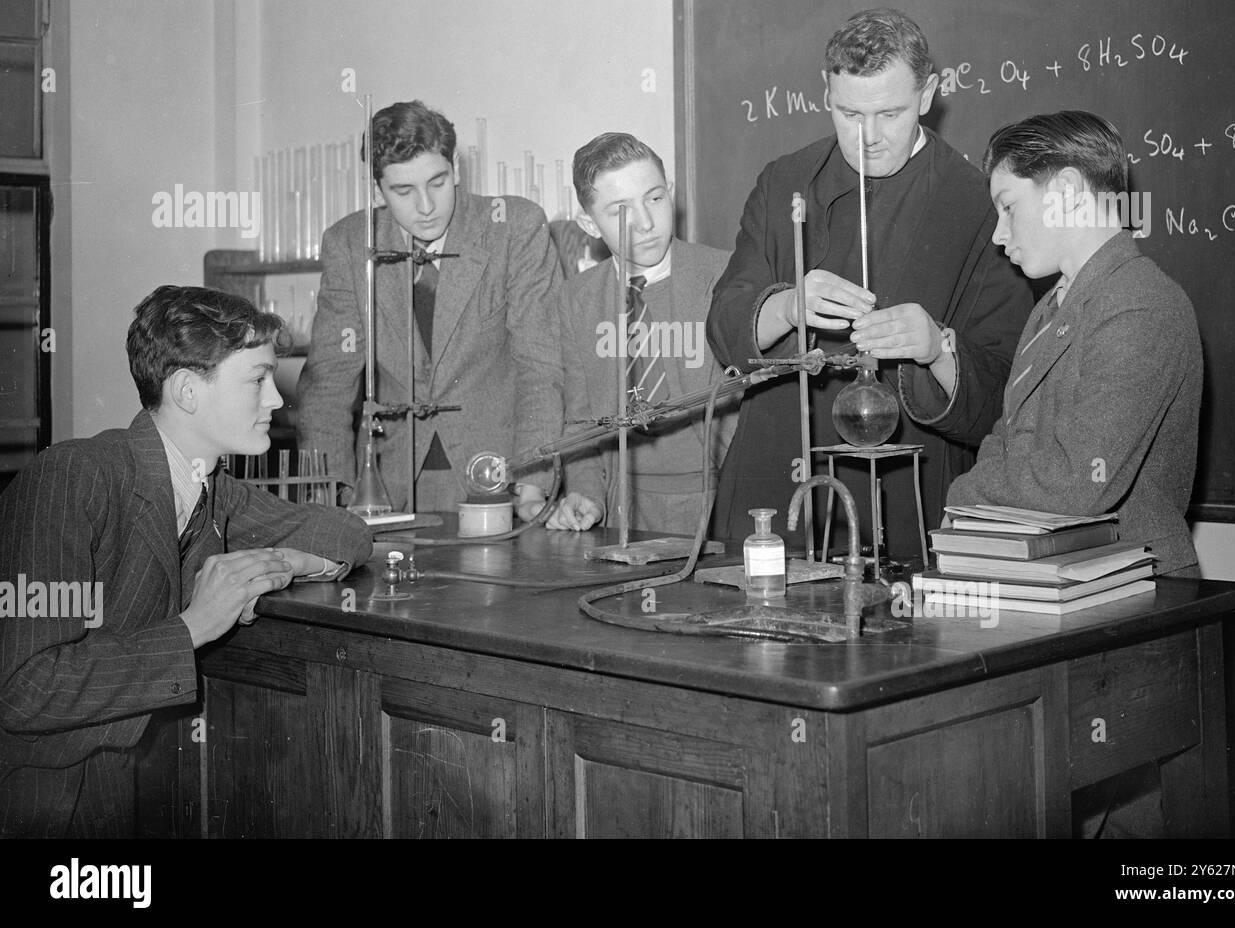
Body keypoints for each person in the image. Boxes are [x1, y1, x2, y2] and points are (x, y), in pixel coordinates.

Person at [0, 286, 372, 838]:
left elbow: (349, 535)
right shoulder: (74, 478)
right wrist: (194, 625)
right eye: (257, 379)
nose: (276, 399)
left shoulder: (211, 486)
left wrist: (283, 561)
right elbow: (24, 690)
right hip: (43, 795)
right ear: (187, 391)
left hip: (136, 780)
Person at [706, 8, 1033, 557]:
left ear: (929, 94)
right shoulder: (784, 179)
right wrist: (787, 306)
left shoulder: (978, 205)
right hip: (773, 496)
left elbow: (1006, 390)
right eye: (849, 113)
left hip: (908, 495)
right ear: (826, 93)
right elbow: (723, 327)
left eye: (890, 113)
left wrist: (937, 347)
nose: (869, 137)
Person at [946, 110, 1203, 575]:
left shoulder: (1138, 303)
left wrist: (964, 492)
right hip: (1065, 579)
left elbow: (1076, 482)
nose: (999, 236)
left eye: (1009, 207)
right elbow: (1003, 439)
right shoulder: (1051, 307)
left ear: (1065, 192)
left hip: (1137, 594)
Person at [298, 100, 563, 518]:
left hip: (500, 480)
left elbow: (542, 365)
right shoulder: (349, 244)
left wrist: (533, 483)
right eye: (403, 191)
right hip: (388, 486)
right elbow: (328, 382)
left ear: (455, 166)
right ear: (376, 190)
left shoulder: (513, 228)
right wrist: (329, 495)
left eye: (438, 182)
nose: (425, 207)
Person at [547, 133, 740, 535]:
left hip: (718, 504)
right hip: (623, 513)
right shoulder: (577, 300)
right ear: (589, 223)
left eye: (654, 198)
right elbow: (581, 420)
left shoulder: (727, 277)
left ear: (670, 192)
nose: (647, 223)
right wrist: (586, 493)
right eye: (620, 210)